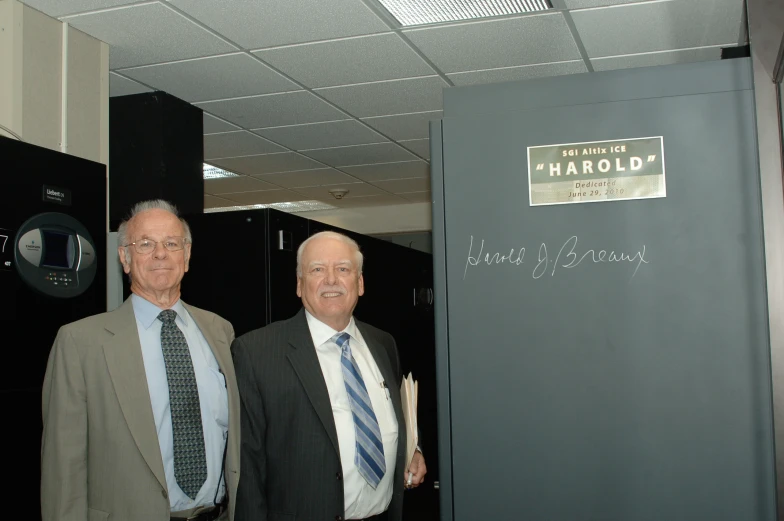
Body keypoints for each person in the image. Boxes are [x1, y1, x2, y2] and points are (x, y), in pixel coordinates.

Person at [41, 200, 240, 521]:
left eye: (171, 243)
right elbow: (63, 464)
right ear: (125, 257)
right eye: (145, 244)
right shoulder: (81, 342)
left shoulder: (220, 331)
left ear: (186, 256)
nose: (160, 254)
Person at [233, 231, 426, 521]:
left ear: (359, 283)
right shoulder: (257, 352)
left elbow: (395, 414)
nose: (331, 280)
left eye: (343, 269)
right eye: (317, 269)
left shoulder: (383, 344)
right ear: (299, 284)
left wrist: (413, 447)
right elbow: (247, 466)